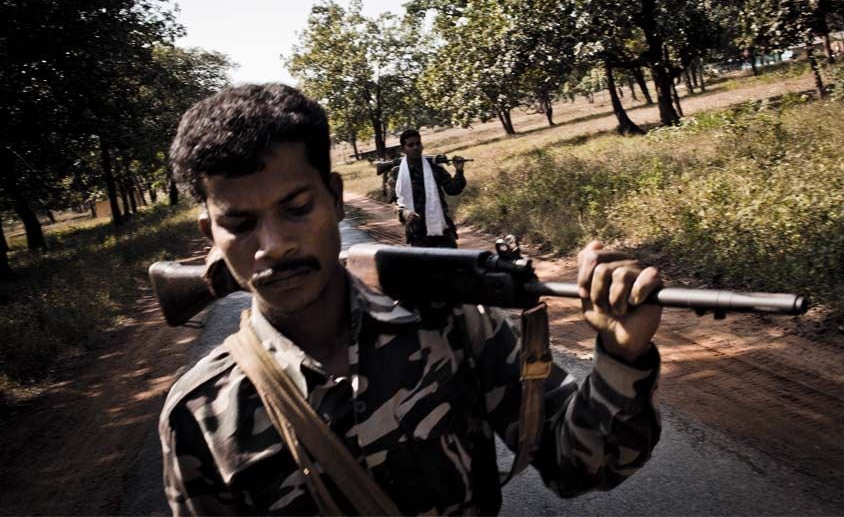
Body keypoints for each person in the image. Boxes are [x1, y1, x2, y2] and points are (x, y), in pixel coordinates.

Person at [159, 84, 663, 516]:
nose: (273, 245)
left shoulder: (453, 322)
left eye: (296, 208)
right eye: (240, 223)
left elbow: (579, 464)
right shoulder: (199, 413)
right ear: (210, 232)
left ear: (335, 199)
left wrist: (621, 357)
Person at [394, 129, 466, 248]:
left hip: (441, 227)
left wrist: (459, 171)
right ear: (403, 149)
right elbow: (396, 203)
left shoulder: (434, 167)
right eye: (410, 145)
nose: (416, 147)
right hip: (418, 233)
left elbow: (452, 189)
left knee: (452, 265)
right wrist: (405, 213)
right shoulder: (398, 173)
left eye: (418, 143)